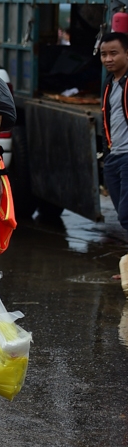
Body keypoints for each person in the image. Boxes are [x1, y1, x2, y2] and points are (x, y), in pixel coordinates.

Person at [100, 31, 128, 296]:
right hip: (114, 156)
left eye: (114, 53)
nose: (108, 58)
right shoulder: (110, 84)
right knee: (123, 216)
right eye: (103, 54)